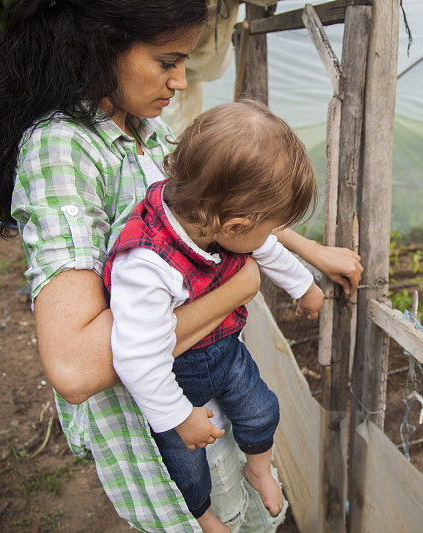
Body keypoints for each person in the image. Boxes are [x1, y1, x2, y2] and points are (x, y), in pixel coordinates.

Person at [0, 1, 363, 531]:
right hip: (158, 420)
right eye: (166, 61)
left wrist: (312, 256)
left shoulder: (141, 131)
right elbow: (74, 366)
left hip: (208, 382)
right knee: (212, 507)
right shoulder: (62, 147)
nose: (180, 81)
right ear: (102, 43)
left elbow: (222, 208)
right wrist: (240, 285)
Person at [104, 101, 325, 531]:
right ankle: (203, 514)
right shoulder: (147, 265)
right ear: (235, 226)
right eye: (265, 227)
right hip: (176, 376)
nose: (267, 238)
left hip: (224, 351)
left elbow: (267, 249)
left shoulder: (212, 215)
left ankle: (258, 467)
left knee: (262, 410)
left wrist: (305, 286)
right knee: (185, 465)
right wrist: (178, 415)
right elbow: (136, 357)